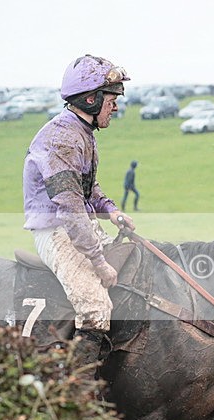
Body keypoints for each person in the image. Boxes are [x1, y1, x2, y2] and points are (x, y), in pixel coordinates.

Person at [22, 54, 134, 366]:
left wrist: (111, 211)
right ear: (90, 99)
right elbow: (70, 207)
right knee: (96, 307)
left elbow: (87, 187)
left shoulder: (81, 132)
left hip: (76, 224)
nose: (115, 107)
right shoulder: (62, 139)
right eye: (111, 100)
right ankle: (76, 393)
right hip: (56, 228)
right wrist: (99, 263)